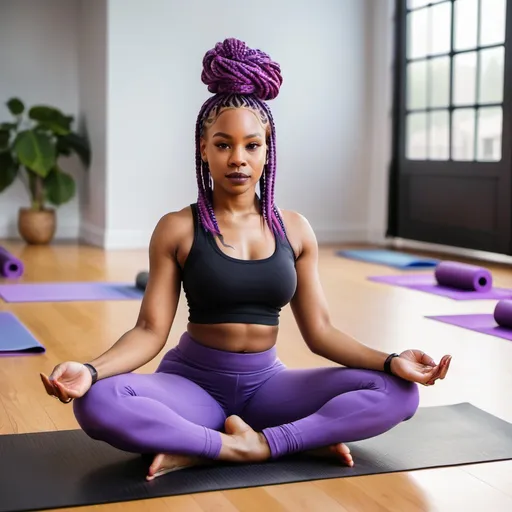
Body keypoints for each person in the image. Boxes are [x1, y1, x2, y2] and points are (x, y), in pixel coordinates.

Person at [40, 38, 451, 481]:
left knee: (400, 394)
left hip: (269, 387)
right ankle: (253, 443)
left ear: (267, 150)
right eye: (223, 145)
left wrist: (392, 362)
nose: (238, 158)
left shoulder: (295, 229)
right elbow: (149, 330)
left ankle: (227, 444)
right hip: (191, 385)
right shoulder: (178, 228)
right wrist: (89, 369)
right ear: (203, 149)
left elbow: (322, 332)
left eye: (252, 145)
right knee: (98, 401)